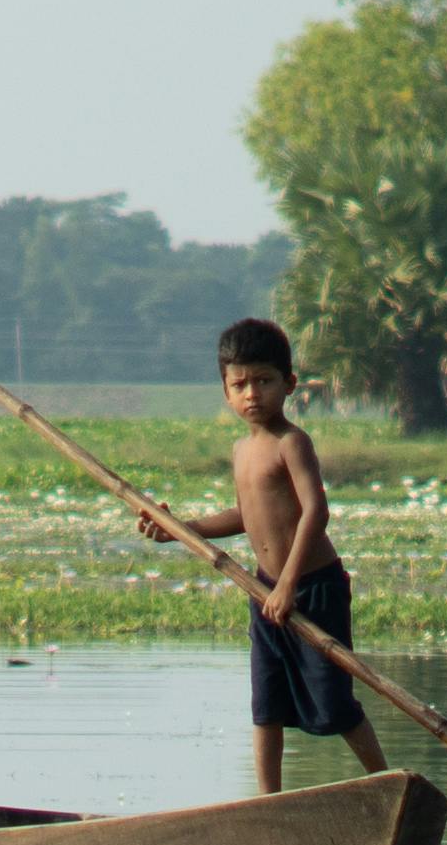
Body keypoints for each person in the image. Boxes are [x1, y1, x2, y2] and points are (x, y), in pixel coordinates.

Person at [145, 315, 388, 794]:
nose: (252, 393)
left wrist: (288, 585)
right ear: (226, 391)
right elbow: (247, 514)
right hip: (263, 591)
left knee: (334, 699)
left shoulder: (292, 443)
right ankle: (267, 801)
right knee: (266, 704)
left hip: (312, 587)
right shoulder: (242, 451)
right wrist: (182, 529)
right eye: (240, 384)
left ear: (289, 384)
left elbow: (315, 512)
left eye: (263, 381)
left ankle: (384, 781)